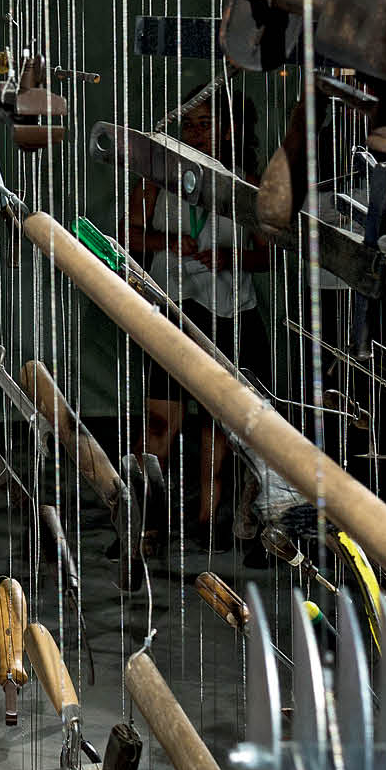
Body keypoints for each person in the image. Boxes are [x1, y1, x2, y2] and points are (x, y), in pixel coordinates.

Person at [122, 87, 273, 547]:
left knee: (217, 425)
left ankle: (208, 526)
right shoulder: (156, 177)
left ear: (228, 130)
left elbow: (265, 258)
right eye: (189, 125)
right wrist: (166, 243)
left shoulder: (245, 183)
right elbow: (128, 236)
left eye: (205, 124)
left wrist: (230, 258)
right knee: (159, 421)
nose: (195, 133)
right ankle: (145, 522)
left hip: (230, 313)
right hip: (174, 309)